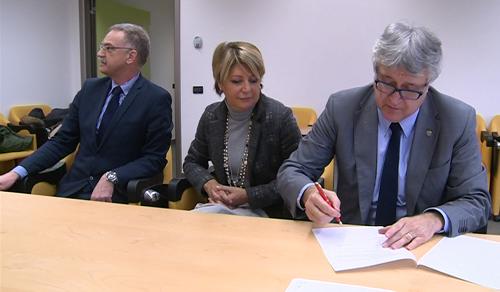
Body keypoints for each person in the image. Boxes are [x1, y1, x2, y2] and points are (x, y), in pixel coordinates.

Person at [277, 22, 491, 249]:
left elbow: (476, 201)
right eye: (386, 84)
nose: (394, 99)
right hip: (351, 242)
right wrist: (308, 193)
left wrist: (432, 219)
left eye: (409, 89)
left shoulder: (455, 119)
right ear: (376, 72)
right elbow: (293, 170)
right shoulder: (343, 108)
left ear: (428, 85)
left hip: (421, 246)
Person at [0, 23, 172, 203]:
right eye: (101, 47)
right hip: (73, 190)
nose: (100, 53)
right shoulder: (90, 89)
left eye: (109, 48)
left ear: (131, 56)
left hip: (119, 195)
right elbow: (62, 141)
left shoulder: (155, 99)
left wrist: (112, 177)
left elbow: (154, 159)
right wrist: (16, 173)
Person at [183, 41, 301, 218]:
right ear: (220, 83)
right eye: (237, 81)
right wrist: (209, 184)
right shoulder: (211, 116)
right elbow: (192, 162)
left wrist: (249, 196)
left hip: (269, 214)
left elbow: (298, 176)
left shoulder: (279, 117)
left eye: (253, 80)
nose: (247, 89)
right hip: (222, 209)